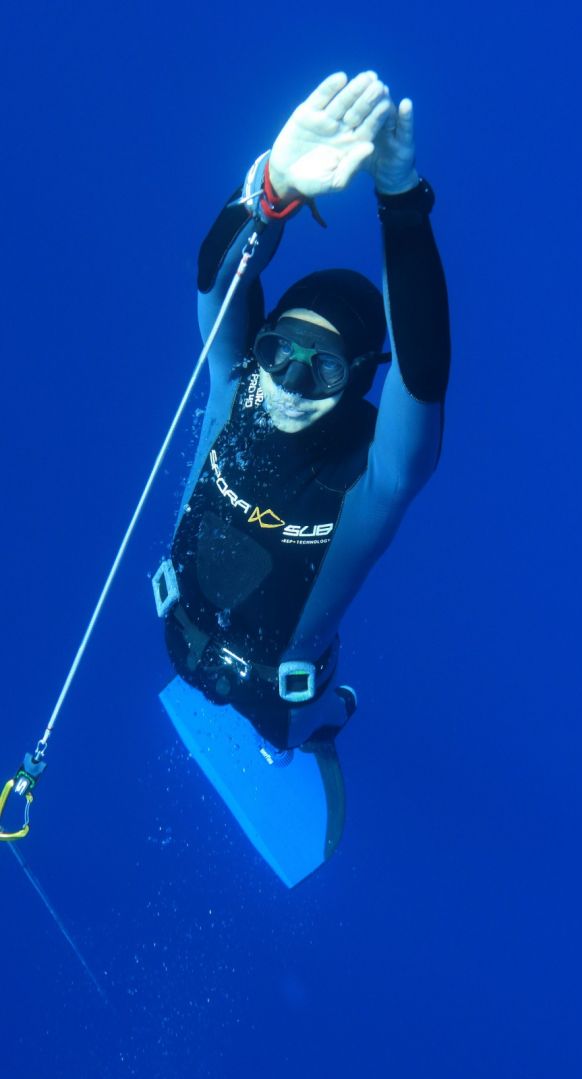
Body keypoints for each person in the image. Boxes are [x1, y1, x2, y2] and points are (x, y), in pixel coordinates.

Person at [158, 71, 450, 752]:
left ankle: (331, 724)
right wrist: (271, 190)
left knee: (304, 731)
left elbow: (422, 371)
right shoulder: (239, 384)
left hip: (282, 701)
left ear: (353, 380)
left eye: (319, 368)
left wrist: (401, 204)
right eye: (276, 352)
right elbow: (217, 277)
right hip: (177, 631)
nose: (287, 384)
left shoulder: (376, 475)